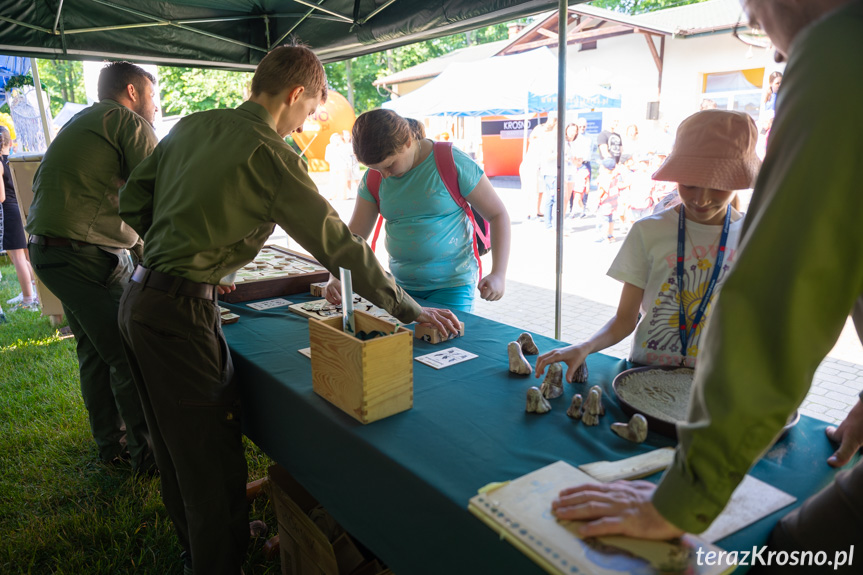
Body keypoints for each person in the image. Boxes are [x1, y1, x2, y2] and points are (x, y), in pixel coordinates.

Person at [117, 45, 460, 575]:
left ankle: (202, 542)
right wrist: (408, 310)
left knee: (173, 444)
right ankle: (216, 562)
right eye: (309, 112)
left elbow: (133, 203)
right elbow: (340, 248)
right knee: (207, 455)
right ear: (296, 95)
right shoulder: (272, 154)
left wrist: (188, 249)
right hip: (180, 315)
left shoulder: (192, 125)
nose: (305, 125)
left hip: (140, 300)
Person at [547, 4, 863, 572]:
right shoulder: (652, 231)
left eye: (751, 12)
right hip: (646, 382)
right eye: (689, 185)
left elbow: (781, 306)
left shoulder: (842, 52)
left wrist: (684, 497)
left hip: (705, 407)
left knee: (795, 552)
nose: (763, 36)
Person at [536, 109, 760, 382]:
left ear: (738, 181)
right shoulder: (648, 231)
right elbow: (625, 320)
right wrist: (585, 347)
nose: (701, 199)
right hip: (644, 376)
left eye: (717, 186)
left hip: (715, 383)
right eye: (689, 185)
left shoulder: (755, 236)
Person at [25, 61, 158, 473]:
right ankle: (149, 460)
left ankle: (112, 448)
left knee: (96, 354)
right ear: (133, 92)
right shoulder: (127, 121)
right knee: (129, 356)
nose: (154, 106)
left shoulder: (84, 119)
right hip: (83, 254)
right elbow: (158, 193)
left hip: (49, 251)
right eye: (152, 96)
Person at [324, 108, 511, 313]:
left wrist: (498, 274)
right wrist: (336, 275)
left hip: (452, 286)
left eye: (389, 165)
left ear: (407, 142)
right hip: (399, 288)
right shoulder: (375, 177)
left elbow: (497, 214)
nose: (384, 175)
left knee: (444, 341)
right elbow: (355, 235)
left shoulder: (450, 161)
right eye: (376, 169)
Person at [1, 126, 39, 312]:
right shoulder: (14, 160)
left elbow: (1, 196)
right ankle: (35, 292)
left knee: (17, 257)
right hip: (21, 209)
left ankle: (28, 298)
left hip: (8, 211)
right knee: (24, 256)